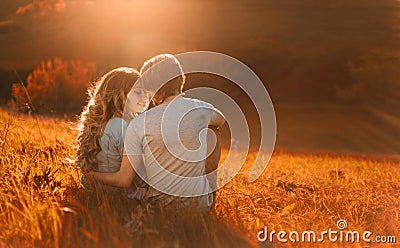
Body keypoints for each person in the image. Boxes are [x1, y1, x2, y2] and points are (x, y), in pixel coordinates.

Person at [87, 54, 224, 212]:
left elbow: (123, 179)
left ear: (151, 90)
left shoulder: (139, 123)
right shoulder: (200, 108)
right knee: (212, 129)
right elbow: (221, 120)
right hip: (199, 207)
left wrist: (91, 175)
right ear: (181, 80)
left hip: (157, 207)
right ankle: (201, 191)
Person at [76, 67, 152, 198]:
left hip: (91, 189)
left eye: (147, 93)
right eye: (138, 92)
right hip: (120, 197)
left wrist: (88, 177)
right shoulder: (123, 127)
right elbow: (124, 180)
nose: (145, 98)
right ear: (119, 94)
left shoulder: (103, 122)